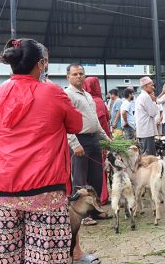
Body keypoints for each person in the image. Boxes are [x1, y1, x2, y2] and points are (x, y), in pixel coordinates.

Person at [0, 38, 83, 263]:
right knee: (44, 256)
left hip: (1, 188)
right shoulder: (52, 93)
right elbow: (76, 125)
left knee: (5, 256)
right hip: (44, 188)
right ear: (40, 64)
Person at [65, 63, 112, 224]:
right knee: (80, 179)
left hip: (94, 139)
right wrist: (74, 144)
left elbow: (95, 121)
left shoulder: (87, 95)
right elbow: (65, 123)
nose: (78, 76)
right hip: (80, 140)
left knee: (96, 178)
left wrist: (106, 139)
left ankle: (95, 211)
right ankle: (82, 215)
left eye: (81, 73)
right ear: (68, 77)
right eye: (75, 74)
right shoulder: (68, 95)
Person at [84, 77, 112, 206]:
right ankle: (102, 196)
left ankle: (88, 200)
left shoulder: (84, 99)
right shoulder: (98, 102)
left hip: (83, 142)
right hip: (99, 141)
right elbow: (104, 122)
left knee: (86, 172)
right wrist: (108, 140)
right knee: (100, 169)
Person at [135, 76, 159, 156]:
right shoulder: (146, 97)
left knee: (146, 155)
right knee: (149, 158)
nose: (153, 87)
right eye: (151, 85)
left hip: (144, 131)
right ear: (145, 86)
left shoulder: (141, 96)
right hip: (147, 131)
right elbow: (153, 113)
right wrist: (154, 101)